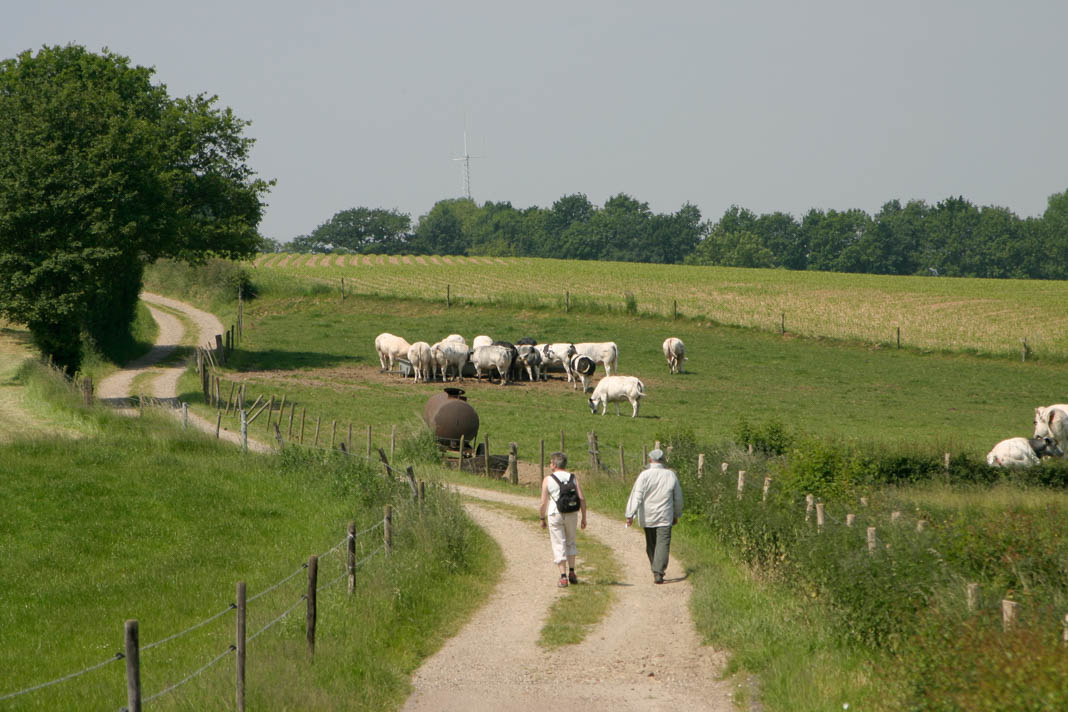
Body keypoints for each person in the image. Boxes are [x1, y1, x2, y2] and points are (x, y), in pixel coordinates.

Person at [625, 448, 683, 584]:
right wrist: (676, 513)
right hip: (665, 515)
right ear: (662, 460)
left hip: (648, 515)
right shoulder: (670, 475)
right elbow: (678, 498)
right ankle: (658, 570)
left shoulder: (644, 476)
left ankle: (656, 569)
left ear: (650, 460)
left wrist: (630, 514)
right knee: (663, 543)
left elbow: (637, 496)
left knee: (651, 544)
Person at [539, 451, 587, 587]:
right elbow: (582, 498)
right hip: (572, 513)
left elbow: (543, 503)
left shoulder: (548, 479)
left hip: (555, 514)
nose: (550, 464)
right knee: (571, 541)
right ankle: (572, 571)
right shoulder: (573, 478)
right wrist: (584, 517)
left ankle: (563, 576)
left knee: (558, 543)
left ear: (554, 464)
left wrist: (542, 518)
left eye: (550, 462)